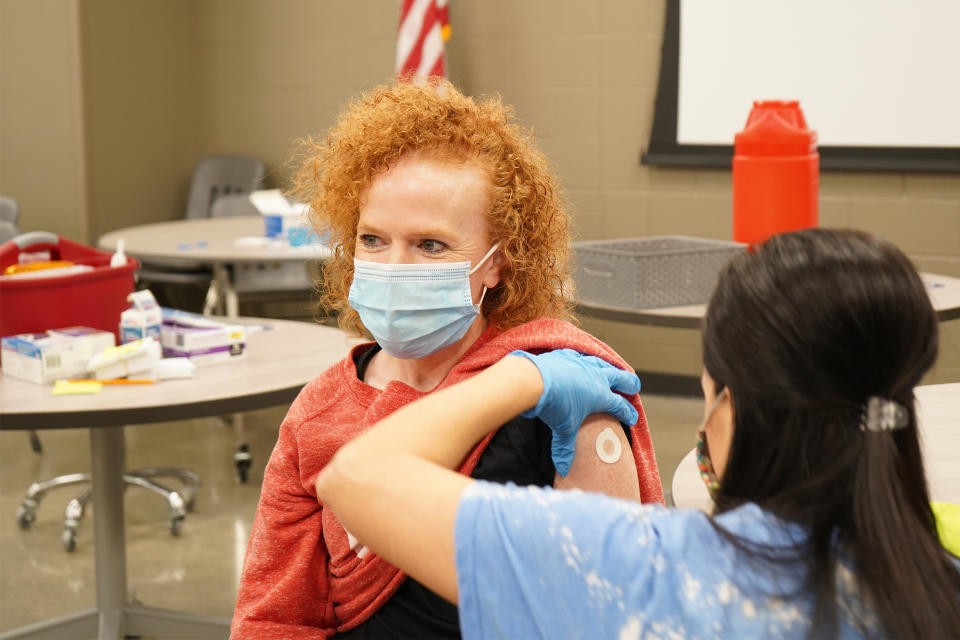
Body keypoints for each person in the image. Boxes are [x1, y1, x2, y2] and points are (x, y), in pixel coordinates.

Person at [316, 228, 960, 639]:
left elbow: (357, 475)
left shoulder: (636, 566)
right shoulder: (938, 583)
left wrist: (518, 379)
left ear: (725, 408)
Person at [230, 79, 663, 639]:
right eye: (373, 240)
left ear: (498, 263)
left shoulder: (562, 391)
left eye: (431, 245)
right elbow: (274, 617)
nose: (396, 267)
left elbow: (602, 615)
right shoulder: (320, 412)